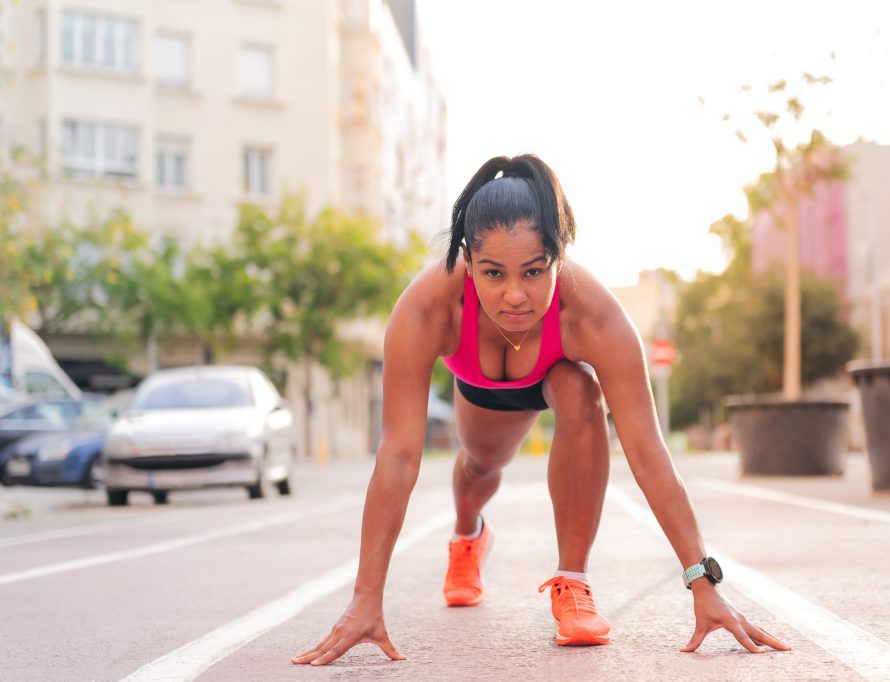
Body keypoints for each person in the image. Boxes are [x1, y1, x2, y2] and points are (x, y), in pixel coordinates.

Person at [292, 154, 789, 665]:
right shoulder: (426, 309)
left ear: (559, 255)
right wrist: (365, 599)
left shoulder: (594, 315)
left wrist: (702, 582)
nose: (514, 295)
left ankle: (572, 583)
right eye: (492, 273)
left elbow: (646, 451)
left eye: (534, 271)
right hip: (479, 388)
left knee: (580, 389)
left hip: (553, 376)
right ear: (467, 259)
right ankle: (468, 536)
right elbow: (397, 456)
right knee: (480, 469)